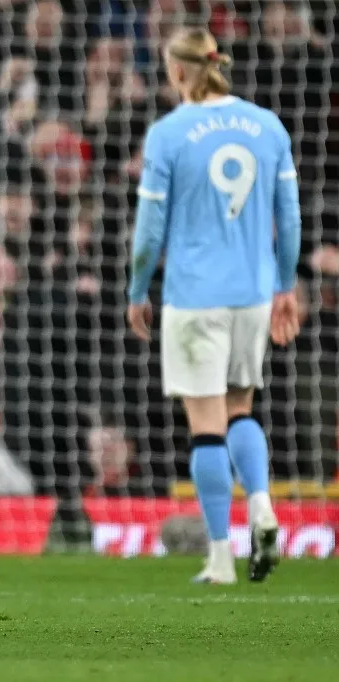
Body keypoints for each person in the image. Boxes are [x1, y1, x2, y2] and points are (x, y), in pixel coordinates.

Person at [127, 28, 301, 585]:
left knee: (205, 428)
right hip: (252, 293)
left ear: (179, 71)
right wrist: (285, 287)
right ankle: (262, 507)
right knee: (242, 410)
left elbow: (150, 230)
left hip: (195, 296)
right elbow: (290, 218)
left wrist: (137, 290)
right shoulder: (267, 125)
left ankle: (222, 556)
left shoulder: (169, 133)